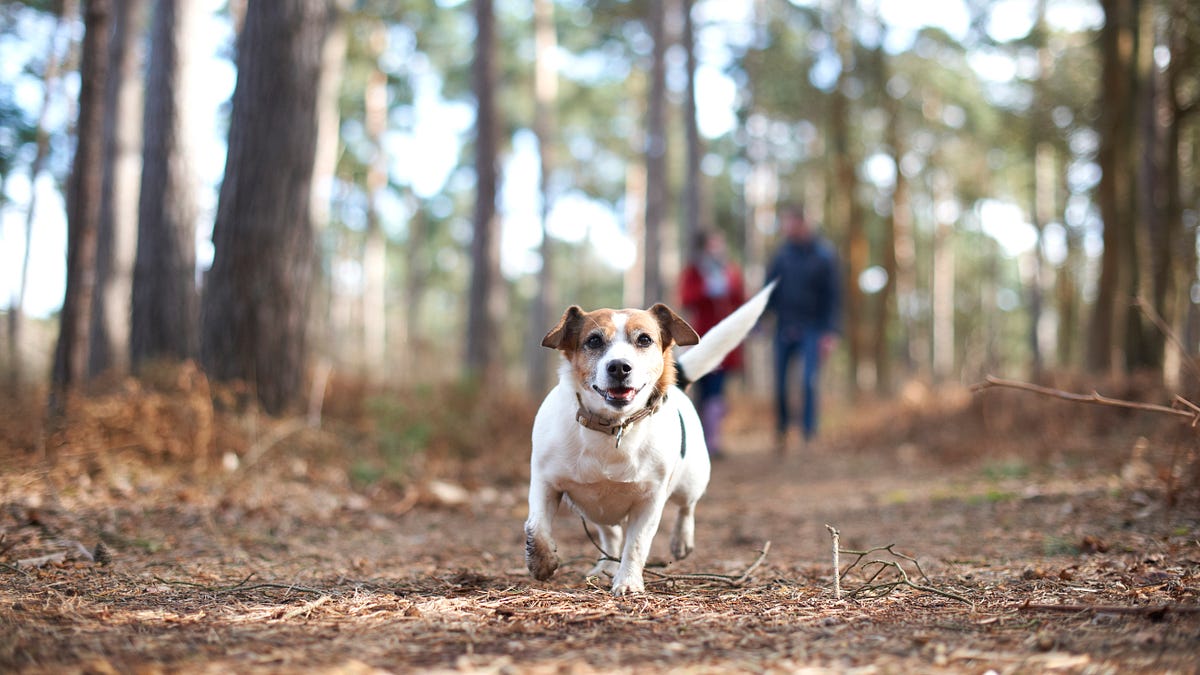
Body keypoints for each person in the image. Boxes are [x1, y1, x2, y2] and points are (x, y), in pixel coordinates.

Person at [765, 203, 840, 455]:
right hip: (784, 327)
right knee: (781, 384)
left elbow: (834, 296)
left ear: (802, 223)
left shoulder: (824, 255)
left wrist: (830, 332)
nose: (785, 228)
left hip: (814, 329)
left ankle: (809, 433)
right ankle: (783, 430)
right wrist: (760, 320)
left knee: (808, 382)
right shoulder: (781, 255)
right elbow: (769, 291)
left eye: (789, 223)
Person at [679, 229, 745, 459]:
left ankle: (713, 441)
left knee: (717, 390)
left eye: (720, 243)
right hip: (700, 339)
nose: (718, 248)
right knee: (700, 390)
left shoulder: (730, 270)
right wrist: (707, 290)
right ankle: (696, 439)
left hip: (724, 341)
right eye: (713, 244)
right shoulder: (694, 271)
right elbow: (686, 299)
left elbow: (739, 299)